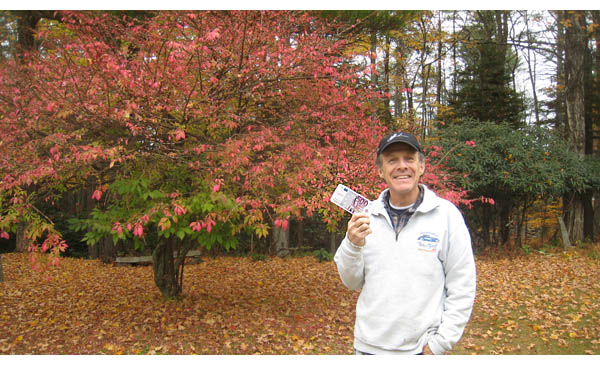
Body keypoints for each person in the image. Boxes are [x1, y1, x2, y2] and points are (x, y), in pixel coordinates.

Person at [334, 131, 476, 355]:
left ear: (421, 166)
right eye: (392, 160)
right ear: (381, 171)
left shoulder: (447, 216)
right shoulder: (365, 216)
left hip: (421, 350)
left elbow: (463, 285)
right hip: (367, 348)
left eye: (409, 159)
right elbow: (351, 282)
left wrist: (439, 344)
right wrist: (352, 245)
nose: (402, 166)